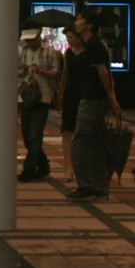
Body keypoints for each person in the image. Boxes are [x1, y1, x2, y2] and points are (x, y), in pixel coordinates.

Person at [68, 10, 121, 200]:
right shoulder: (91, 45)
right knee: (96, 143)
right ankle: (100, 186)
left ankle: (86, 185)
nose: (76, 22)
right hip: (95, 98)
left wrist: (111, 98)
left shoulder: (93, 45)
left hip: (92, 99)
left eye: (80, 19)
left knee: (80, 142)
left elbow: (104, 73)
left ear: (89, 25)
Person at [17, 28, 62, 182]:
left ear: (38, 37)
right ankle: (43, 164)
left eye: (32, 40)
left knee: (35, 134)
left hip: (43, 96)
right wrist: (22, 72)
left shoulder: (49, 52)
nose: (29, 43)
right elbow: (16, 69)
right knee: (27, 135)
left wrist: (40, 71)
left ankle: (29, 169)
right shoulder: (21, 50)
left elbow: (56, 73)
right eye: (27, 40)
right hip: (25, 96)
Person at [57, 26, 87, 183]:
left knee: (83, 131)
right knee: (67, 131)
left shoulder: (89, 52)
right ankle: (69, 167)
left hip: (86, 94)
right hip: (70, 94)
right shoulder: (68, 53)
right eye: (67, 38)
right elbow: (65, 74)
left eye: (71, 37)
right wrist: (60, 95)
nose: (69, 41)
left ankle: (81, 166)